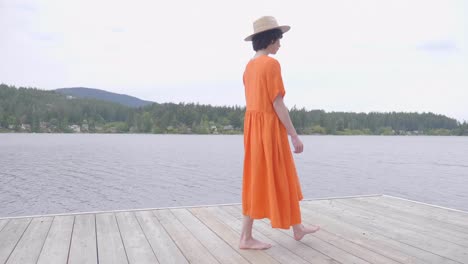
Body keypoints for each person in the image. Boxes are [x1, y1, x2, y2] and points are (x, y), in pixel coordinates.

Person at [240, 16, 320, 250]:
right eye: (278, 40)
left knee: (258, 178)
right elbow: (277, 103)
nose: (280, 45)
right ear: (270, 39)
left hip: (253, 129)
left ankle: (296, 228)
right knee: (279, 174)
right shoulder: (271, 65)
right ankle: (247, 238)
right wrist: (293, 134)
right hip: (269, 128)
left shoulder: (249, 66)